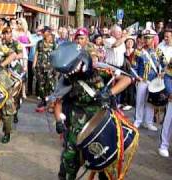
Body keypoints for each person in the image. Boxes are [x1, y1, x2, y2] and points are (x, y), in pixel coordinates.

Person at [51, 42, 134, 180]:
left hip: (102, 123)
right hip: (77, 126)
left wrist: (109, 93)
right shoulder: (66, 79)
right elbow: (58, 102)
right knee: (69, 160)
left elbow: (127, 79)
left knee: (106, 160)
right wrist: (59, 121)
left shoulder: (101, 70)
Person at [0, 27, 23, 143]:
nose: (7, 35)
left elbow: (20, 54)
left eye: (8, 33)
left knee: (15, 97)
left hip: (15, 70)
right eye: (5, 33)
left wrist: (13, 56)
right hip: (4, 74)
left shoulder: (16, 43)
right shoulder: (1, 44)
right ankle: (8, 118)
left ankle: (14, 115)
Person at [133, 28, 165, 131]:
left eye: (149, 38)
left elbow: (165, 65)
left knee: (151, 102)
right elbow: (134, 66)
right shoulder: (139, 51)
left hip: (155, 82)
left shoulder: (159, 52)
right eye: (145, 38)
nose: (147, 40)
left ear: (154, 39)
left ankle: (149, 122)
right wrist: (136, 76)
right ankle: (138, 120)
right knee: (140, 101)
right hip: (143, 80)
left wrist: (162, 73)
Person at [33, 28, 57, 112]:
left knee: (50, 85)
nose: (44, 34)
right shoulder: (39, 43)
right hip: (40, 66)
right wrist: (34, 64)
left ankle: (52, 103)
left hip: (50, 67)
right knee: (41, 84)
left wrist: (55, 66)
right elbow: (36, 53)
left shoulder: (53, 43)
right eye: (43, 32)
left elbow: (56, 55)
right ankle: (43, 100)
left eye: (46, 32)